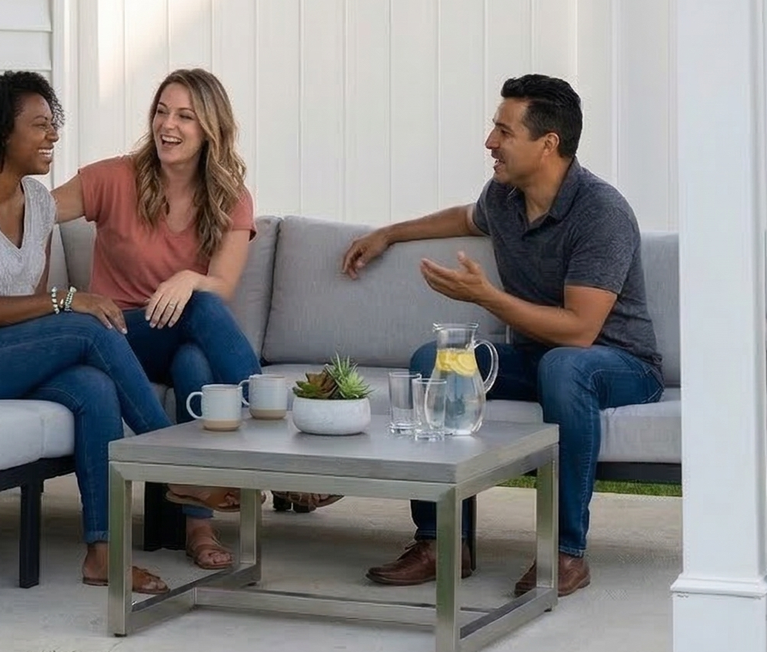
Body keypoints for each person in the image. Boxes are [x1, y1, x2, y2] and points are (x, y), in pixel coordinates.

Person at [0, 70, 228, 595]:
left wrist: (57, 312)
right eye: (40, 126)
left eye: (53, 124)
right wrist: (66, 300)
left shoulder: (40, 203)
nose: (52, 135)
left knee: (94, 389)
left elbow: (26, 305)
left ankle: (102, 555)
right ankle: (171, 462)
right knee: (87, 328)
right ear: (0, 135)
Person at [340, 74, 664, 598]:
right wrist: (389, 233)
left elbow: (581, 331)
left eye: (503, 130)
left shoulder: (600, 212)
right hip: (541, 359)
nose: (490, 142)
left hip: (617, 363)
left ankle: (565, 552)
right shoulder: (505, 197)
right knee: (435, 360)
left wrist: (486, 297)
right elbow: (464, 217)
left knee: (564, 365)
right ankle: (442, 541)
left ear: (547, 144)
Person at [54, 67, 315, 573]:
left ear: (210, 129)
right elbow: (33, 214)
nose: (167, 125)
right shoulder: (112, 177)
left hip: (174, 338)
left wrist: (188, 279)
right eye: (161, 111)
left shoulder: (229, 195)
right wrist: (55, 295)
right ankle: (282, 450)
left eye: (185, 116)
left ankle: (198, 526)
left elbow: (221, 283)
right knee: (203, 309)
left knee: (196, 360)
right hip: (116, 333)